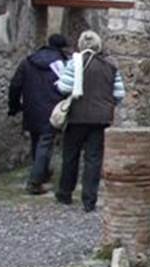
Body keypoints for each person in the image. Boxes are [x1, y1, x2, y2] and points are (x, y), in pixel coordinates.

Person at [55, 30, 126, 212]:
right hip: (100, 119)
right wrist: (106, 104)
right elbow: (119, 94)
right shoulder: (110, 66)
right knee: (93, 159)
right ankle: (89, 200)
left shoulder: (74, 63)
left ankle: (65, 193)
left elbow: (64, 87)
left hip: (77, 117)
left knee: (71, 156)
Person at [8, 34, 69, 194]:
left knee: (37, 140)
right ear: (62, 47)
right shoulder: (61, 64)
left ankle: (42, 172)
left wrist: (14, 106)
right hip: (52, 108)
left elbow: (15, 85)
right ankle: (34, 182)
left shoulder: (28, 62)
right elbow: (67, 87)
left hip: (31, 108)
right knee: (45, 142)